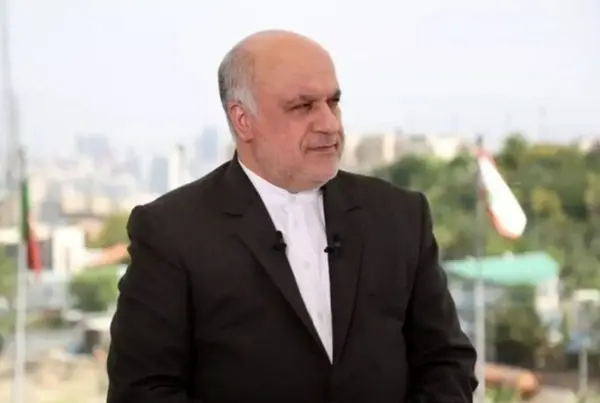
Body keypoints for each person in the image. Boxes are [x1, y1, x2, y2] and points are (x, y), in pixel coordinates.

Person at [106, 30, 477, 403]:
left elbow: (446, 362)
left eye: (333, 102)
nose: (329, 124)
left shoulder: (400, 216)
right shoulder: (171, 231)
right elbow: (142, 390)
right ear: (243, 120)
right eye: (302, 106)